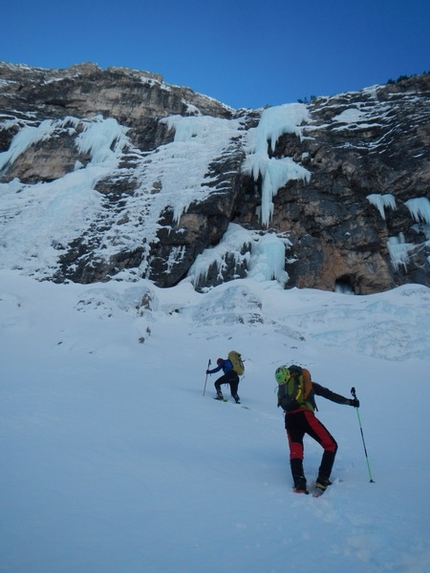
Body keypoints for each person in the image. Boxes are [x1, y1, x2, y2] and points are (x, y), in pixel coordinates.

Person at [275, 365, 359, 495]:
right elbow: (329, 395)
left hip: (289, 418)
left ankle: (300, 484)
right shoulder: (307, 384)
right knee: (330, 445)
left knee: (296, 451)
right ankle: (322, 479)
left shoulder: (285, 387)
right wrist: (350, 402)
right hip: (304, 416)